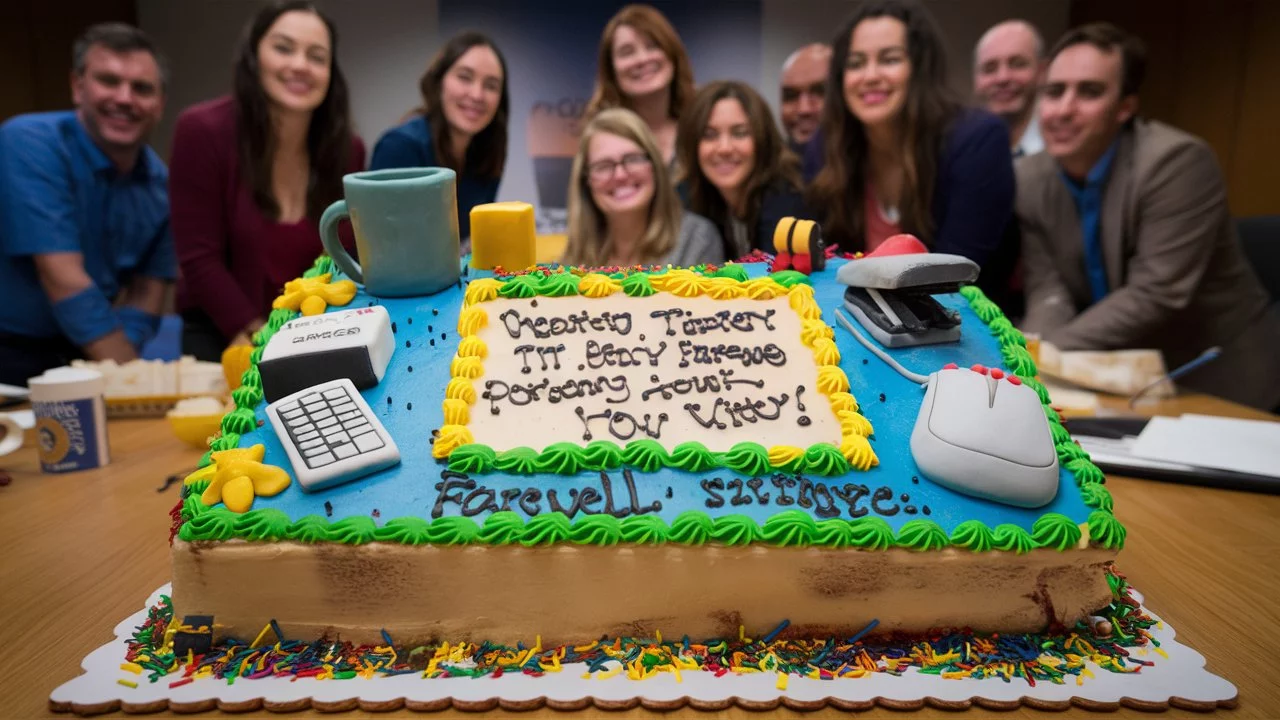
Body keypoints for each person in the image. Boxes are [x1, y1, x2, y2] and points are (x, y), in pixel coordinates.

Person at [1018, 23, 1280, 410]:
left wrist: (1042, 351)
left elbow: (1156, 292)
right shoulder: (1028, 176)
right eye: (1054, 92)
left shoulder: (1178, 163)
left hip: (1215, 379)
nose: (1063, 110)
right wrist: (1029, 357)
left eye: (1089, 92)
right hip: (1120, 382)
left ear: (1125, 107)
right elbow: (1048, 288)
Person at [170, 1, 366, 362]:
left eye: (317, 56)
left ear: (330, 73)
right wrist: (268, 345)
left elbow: (341, 260)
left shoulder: (348, 151)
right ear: (253, 56)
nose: (299, 65)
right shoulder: (201, 131)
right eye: (283, 48)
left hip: (311, 340)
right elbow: (199, 260)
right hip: (223, 340)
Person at [0, 23, 173, 385]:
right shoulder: (28, 142)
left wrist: (119, 369)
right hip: (9, 356)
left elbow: (147, 291)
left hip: (86, 355)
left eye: (142, 88)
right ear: (78, 87)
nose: (125, 98)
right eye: (109, 81)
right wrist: (130, 379)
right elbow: (62, 277)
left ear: (159, 104)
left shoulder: (162, 185)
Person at [805, 0, 1014, 268]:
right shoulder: (825, 148)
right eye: (855, 63)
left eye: (889, 59)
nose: (870, 75)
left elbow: (956, 274)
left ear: (920, 70)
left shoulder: (978, 141)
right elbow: (822, 268)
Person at [370, 31, 508, 241]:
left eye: (491, 85)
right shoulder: (399, 147)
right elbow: (382, 245)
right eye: (465, 77)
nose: (477, 94)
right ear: (439, 82)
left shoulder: (488, 153)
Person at [562, 108, 723, 268]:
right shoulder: (575, 255)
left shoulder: (697, 239)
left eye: (632, 159)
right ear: (586, 181)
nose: (620, 175)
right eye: (603, 166)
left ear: (654, 166)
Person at [676, 81, 811, 259]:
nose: (724, 148)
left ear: (763, 139)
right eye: (709, 135)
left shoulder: (789, 199)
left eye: (739, 133)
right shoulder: (691, 196)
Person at [584, 4, 695, 170]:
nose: (642, 59)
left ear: (673, 55)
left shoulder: (700, 129)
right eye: (627, 52)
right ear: (611, 69)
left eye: (652, 46)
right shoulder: (601, 140)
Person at [974, 20, 1045, 158]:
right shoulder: (960, 150)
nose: (1002, 78)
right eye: (990, 68)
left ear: (1042, 72)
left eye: (1018, 64)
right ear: (976, 80)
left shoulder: (1062, 155)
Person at [779, 43, 831, 151]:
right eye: (791, 96)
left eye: (819, 92)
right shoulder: (770, 166)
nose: (804, 109)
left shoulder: (872, 165)